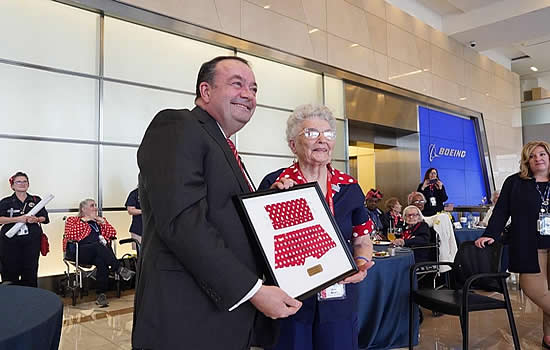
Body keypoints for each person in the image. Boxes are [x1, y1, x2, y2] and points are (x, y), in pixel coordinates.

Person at [132, 56, 301, 350]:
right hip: (186, 315)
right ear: (206, 91)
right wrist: (254, 290)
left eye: (254, 88)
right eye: (237, 84)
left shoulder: (223, 144)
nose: (248, 94)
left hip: (219, 314)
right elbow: (183, 222)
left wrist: (267, 202)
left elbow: (222, 212)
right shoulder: (178, 124)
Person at [259, 104, 375, 350]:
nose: (322, 140)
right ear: (293, 145)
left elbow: (362, 239)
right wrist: (271, 201)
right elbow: (261, 243)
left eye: (328, 134)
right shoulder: (275, 184)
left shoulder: (349, 187)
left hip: (338, 296)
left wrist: (362, 263)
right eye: (311, 133)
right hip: (292, 298)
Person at [475, 141, 550, 349]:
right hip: (528, 246)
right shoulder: (515, 182)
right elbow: (501, 211)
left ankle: (548, 337)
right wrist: (490, 233)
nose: (538, 159)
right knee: (533, 289)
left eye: (542, 154)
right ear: (527, 161)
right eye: (532, 156)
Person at [63, 198, 134, 307]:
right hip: (79, 253)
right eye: (92, 205)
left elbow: (112, 233)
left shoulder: (99, 221)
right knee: (98, 245)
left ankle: (101, 294)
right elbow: (71, 235)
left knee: (102, 261)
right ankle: (119, 268)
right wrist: (84, 220)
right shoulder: (73, 220)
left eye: (95, 205)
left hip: (97, 253)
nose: (95, 208)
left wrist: (104, 223)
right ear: (83, 209)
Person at [0, 171, 49, 287]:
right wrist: (18, 219)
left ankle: (30, 301)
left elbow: (45, 218)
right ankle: (10, 300)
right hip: (9, 243)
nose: (22, 184)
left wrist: (36, 219)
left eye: (24, 181)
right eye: (18, 182)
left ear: (28, 184)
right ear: (12, 186)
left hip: (31, 243)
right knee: (10, 271)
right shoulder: (5, 202)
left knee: (31, 271)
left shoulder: (36, 200)